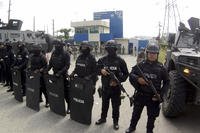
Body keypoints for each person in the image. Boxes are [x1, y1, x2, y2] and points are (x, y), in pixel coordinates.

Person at [126, 43, 169, 133]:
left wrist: (160, 94)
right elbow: (131, 75)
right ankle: (132, 127)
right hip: (140, 95)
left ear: (157, 54)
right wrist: (138, 79)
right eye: (150, 53)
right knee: (135, 114)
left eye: (154, 53)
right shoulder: (141, 65)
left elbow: (167, 82)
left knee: (151, 117)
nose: (152, 55)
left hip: (153, 97)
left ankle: (149, 131)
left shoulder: (161, 68)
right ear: (147, 53)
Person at [95, 40, 129, 130]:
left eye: (112, 49)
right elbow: (95, 69)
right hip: (105, 88)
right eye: (108, 49)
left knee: (115, 107)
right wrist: (101, 71)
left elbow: (126, 74)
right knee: (104, 105)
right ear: (106, 49)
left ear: (115, 49)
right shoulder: (102, 60)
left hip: (116, 89)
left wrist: (118, 81)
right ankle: (103, 118)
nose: (110, 50)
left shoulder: (120, 60)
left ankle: (115, 122)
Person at [47, 40, 70, 113]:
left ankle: (69, 107)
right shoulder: (54, 53)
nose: (56, 46)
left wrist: (60, 73)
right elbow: (50, 63)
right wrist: (46, 70)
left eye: (58, 45)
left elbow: (67, 66)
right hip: (55, 75)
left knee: (66, 93)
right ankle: (57, 105)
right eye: (55, 45)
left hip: (63, 75)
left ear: (61, 45)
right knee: (56, 91)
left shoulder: (66, 54)